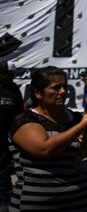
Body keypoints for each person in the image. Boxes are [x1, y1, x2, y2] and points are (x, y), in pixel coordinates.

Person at [8, 67, 87, 211]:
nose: (63, 92)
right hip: (37, 203)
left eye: (64, 87)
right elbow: (44, 148)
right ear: (38, 93)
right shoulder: (25, 119)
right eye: (56, 88)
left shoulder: (75, 118)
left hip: (78, 201)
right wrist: (82, 126)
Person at [0, 63, 23, 212]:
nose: (12, 77)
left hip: (5, 140)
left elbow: (19, 113)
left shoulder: (14, 89)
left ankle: (4, 202)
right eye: (8, 74)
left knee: (2, 171)